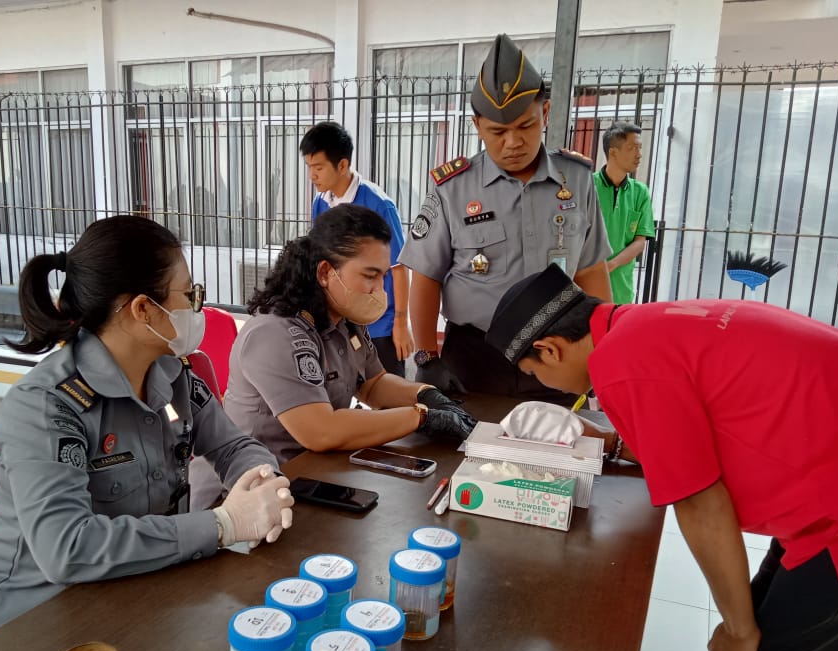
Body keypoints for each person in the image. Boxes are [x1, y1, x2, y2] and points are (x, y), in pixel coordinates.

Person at [485, 265, 838, 651]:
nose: (542, 383)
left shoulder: (623, 365)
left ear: (551, 349)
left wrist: (737, 630)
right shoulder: (639, 324)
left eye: (534, 372)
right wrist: (619, 440)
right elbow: (700, 418)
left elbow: (701, 503)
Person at [0, 215, 294, 642]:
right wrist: (222, 525)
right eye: (189, 294)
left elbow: (233, 445)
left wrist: (261, 484)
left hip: (137, 599)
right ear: (143, 309)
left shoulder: (173, 375)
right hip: (31, 630)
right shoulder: (47, 405)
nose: (197, 307)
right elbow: (68, 547)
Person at [398, 32, 612, 401]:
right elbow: (426, 277)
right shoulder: (453, 188)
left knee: (561, 451)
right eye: (497, 131)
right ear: (477, 125)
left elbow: (591, 271)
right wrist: (427, 357)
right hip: (475, 359)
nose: (512, 142)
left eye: (525, 126)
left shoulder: (577, 180)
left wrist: (605, 353)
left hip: (560, 355)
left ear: (544, 113)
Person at [221, 203, 476, 465]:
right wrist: (421, 416)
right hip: (250, 484)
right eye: (370, 276)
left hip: (314, 471)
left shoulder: (344, 320)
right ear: (324, 272)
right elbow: (322, 431)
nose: (379, 290)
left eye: (383, 277)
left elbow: (373, 384)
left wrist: (425, 394)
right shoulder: (275, 334)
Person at [301, 121, 413, 376]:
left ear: (342, 165)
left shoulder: (379, 204)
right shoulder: (320, 203)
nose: (312, 176)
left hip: (379, 324)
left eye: (318, 167)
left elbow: (398, 267)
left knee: (389, 391)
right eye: (309, 168)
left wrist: (400, 322)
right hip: (339, 320)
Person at [593, 121, 655, 304]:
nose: (639, 154)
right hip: (587, 287)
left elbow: (639, 243)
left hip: (623, 291)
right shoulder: (588, 186)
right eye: (632, 148)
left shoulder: (640, 192)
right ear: (613, 152)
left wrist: (610, 265)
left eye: (640, 148)